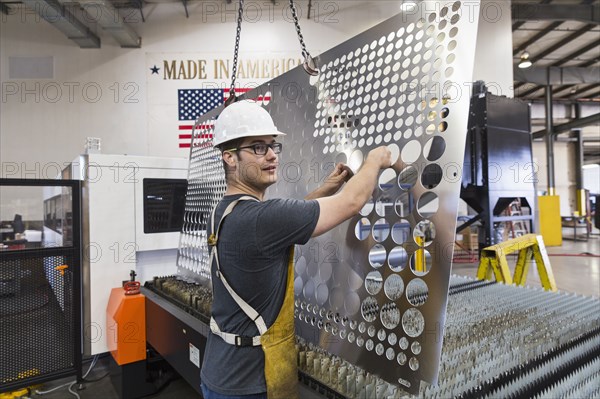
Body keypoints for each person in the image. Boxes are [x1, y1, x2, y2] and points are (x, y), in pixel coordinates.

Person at [200, 100, 391, 399]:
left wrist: (326, 188)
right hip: (250, 384)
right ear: (229, 158)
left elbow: (280, 226)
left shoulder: (224, 212)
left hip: (219, 371)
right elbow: (353, 202)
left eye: (272, 146)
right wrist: (376, 160)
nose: (272, 155)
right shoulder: (261, 218)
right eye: (258, 147)